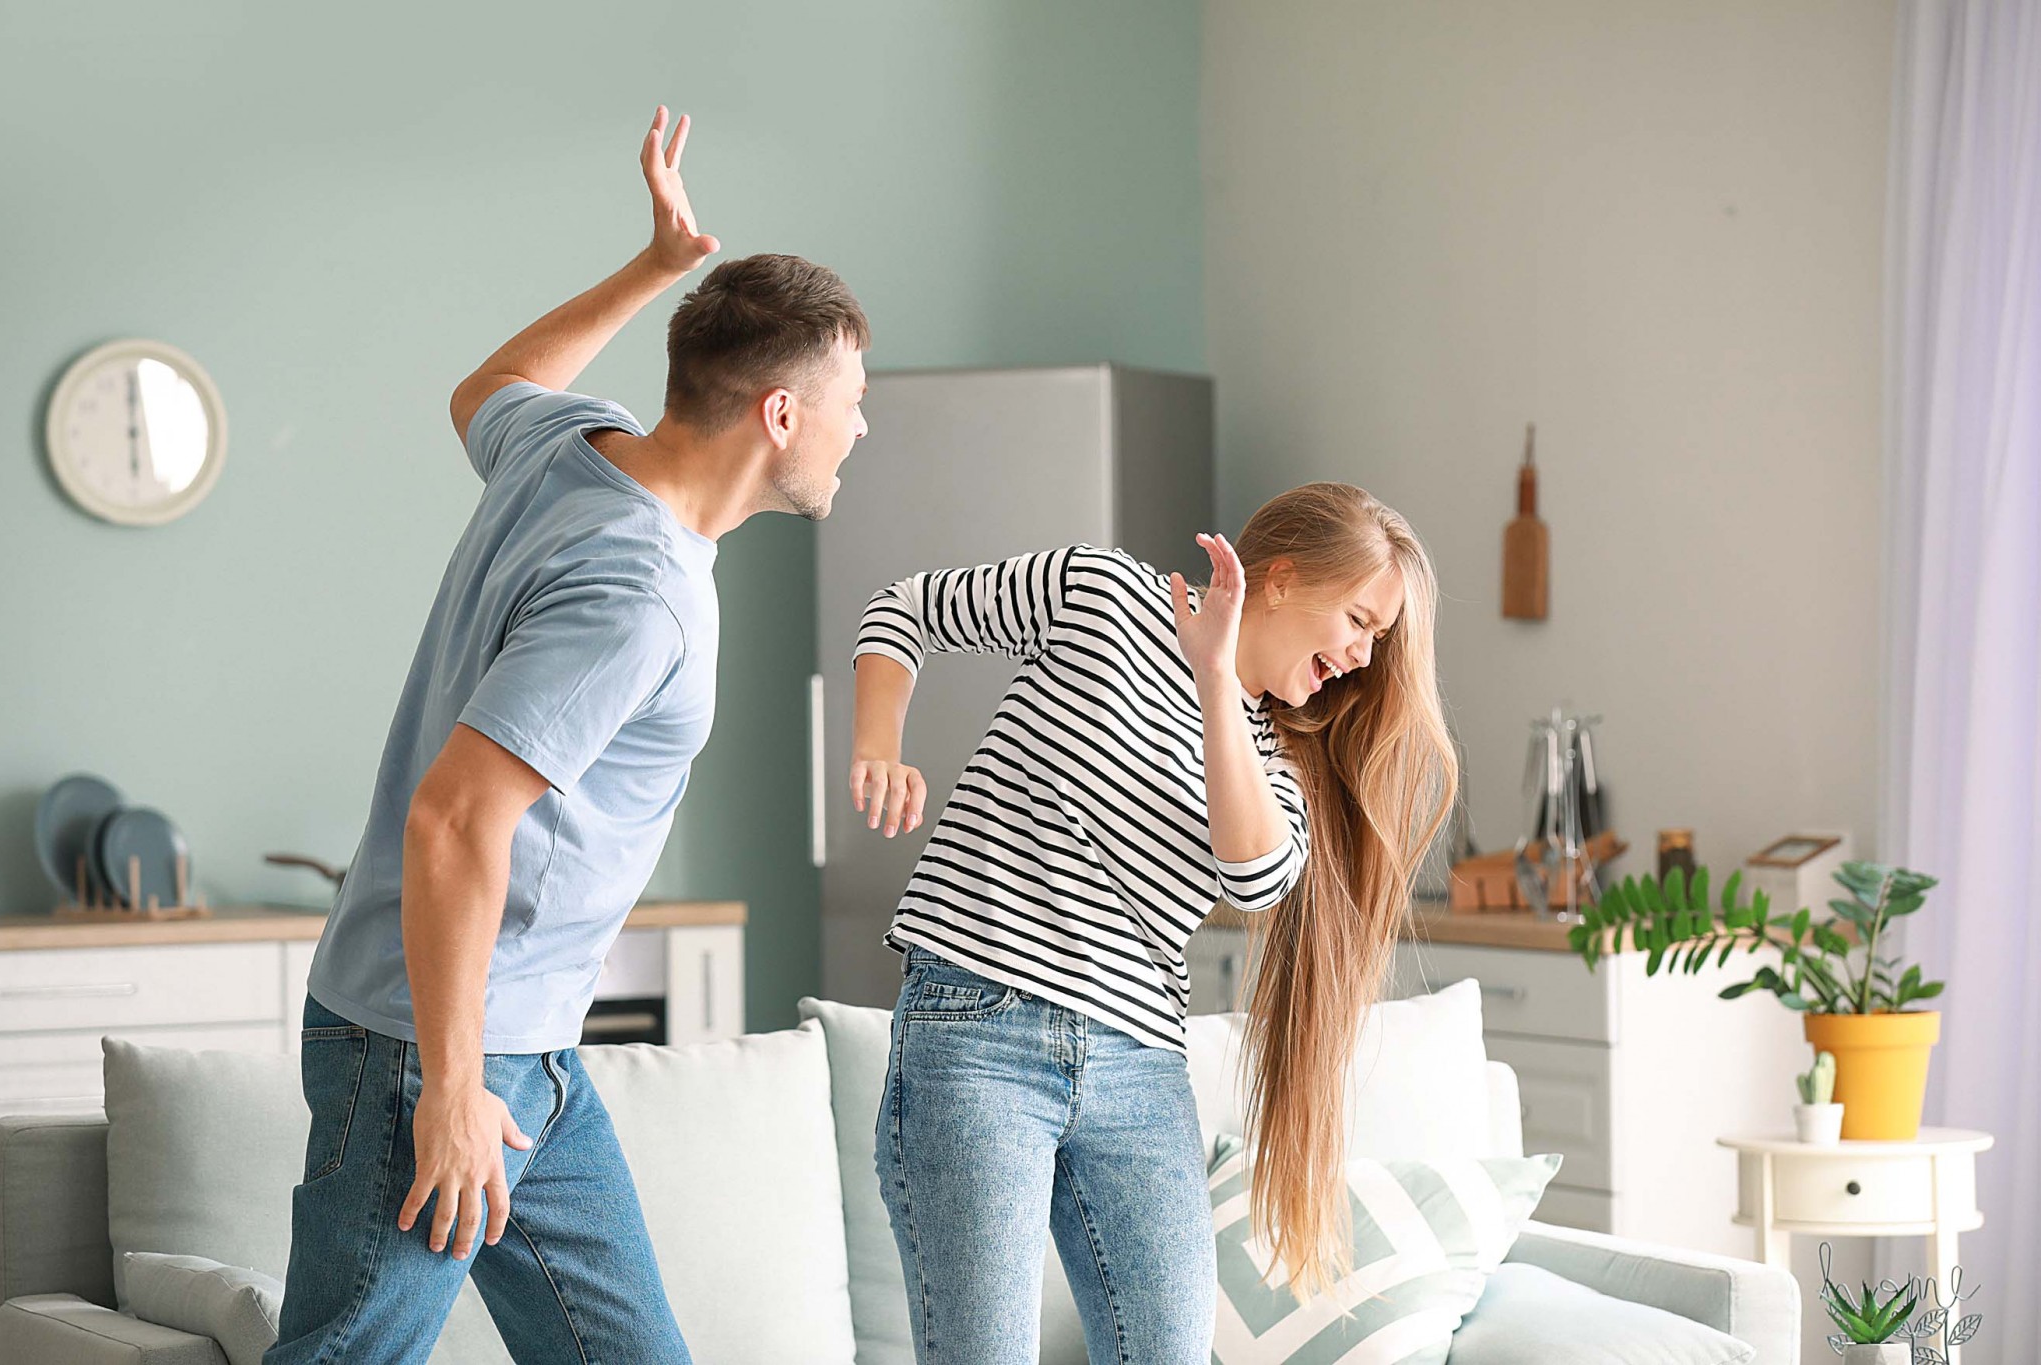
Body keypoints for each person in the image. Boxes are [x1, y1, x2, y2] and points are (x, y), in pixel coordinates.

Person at [266, 106, 869, 1364]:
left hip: (520, 1048)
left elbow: (484, 389)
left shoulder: (568, 447)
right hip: (435, 1047)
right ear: (778, 415)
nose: (858, 430)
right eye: (848, 404)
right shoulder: (637, 590)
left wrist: (655, 267)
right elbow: (454, 818)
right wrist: (448, 1090)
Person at [850, 483, 1457, 1362]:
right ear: (1281, 578)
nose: (1364, 655)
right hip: (977, 1032)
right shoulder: (1102, 592)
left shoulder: (1279, 761)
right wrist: (878, 746)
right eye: (1360, 620)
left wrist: (1216, 678)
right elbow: (905, 608)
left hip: (1138, 1069)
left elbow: (1254, 879)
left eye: (1378, 638)